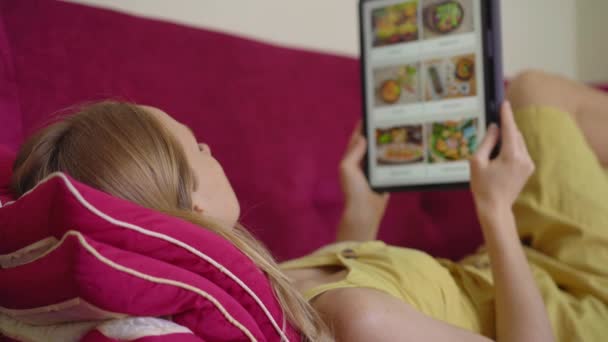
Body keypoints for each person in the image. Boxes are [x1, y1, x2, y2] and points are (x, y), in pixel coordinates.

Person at [9, 71, 608, 341]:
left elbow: (355, 285)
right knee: (538, 91)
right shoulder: (360, 323)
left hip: (514, 271)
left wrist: (360, 213)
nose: (210, 145)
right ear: (184, 200)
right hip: (580, 300)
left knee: (530, 93)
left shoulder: (273, 287)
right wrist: (495, 211)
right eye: (195, 144)